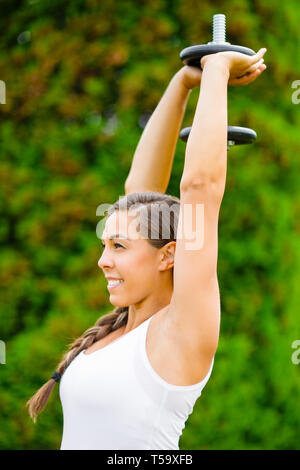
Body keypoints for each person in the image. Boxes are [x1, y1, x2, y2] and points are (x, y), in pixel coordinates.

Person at [26, 49, 267, 450]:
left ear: (169, 255)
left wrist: (217, 68)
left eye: (119, 245)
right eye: (105, 244)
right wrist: (183, 83)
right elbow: (141, 195)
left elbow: (200, 189)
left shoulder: (180, 331)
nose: (103, 260)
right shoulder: (120, 329)